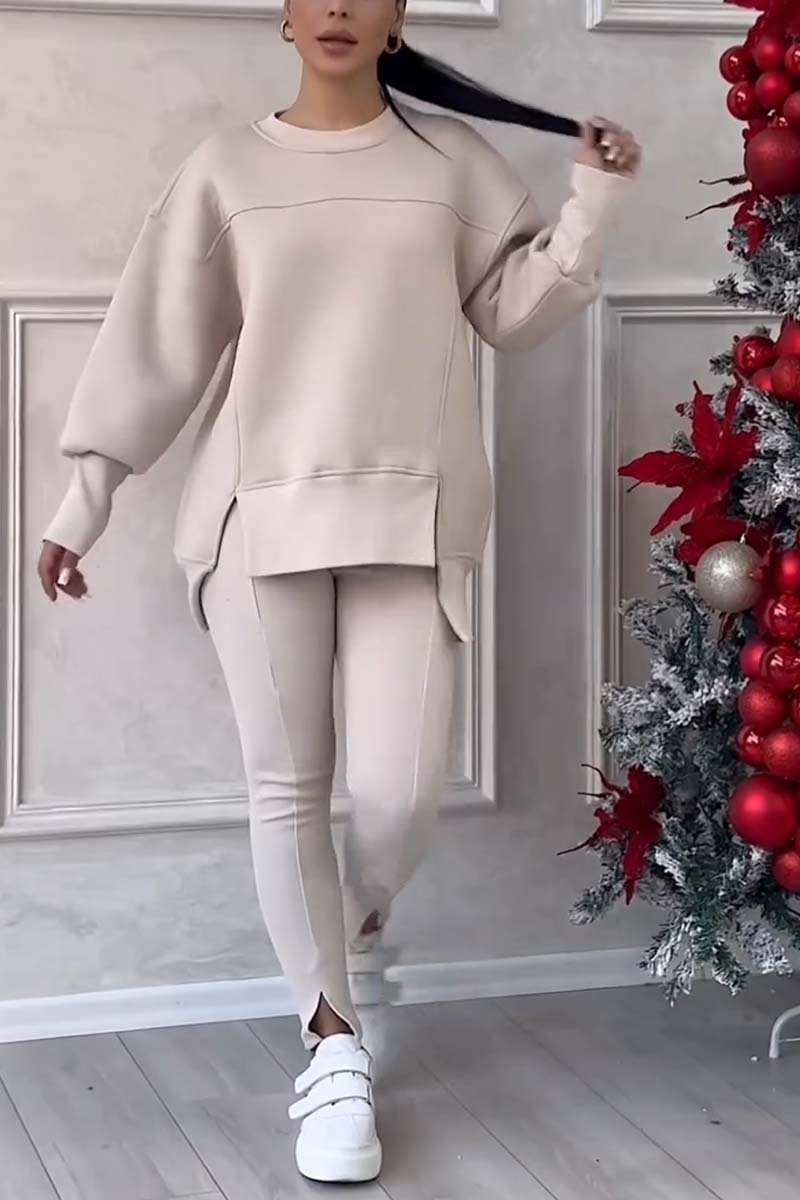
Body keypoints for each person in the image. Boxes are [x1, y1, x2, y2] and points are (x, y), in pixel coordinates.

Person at [37, 0, 641, 1184]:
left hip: (410, 520)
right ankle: (332, 1045)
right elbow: (156, 344)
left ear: (396, 15)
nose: (337, 9)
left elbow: (513, 318)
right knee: (286, 786)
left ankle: (348, 915)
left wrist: (593, 204)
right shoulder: (226, 168)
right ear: (283, 12)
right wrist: (84, 499)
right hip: (253, 517)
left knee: (399, 794)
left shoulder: (450, 163)